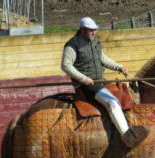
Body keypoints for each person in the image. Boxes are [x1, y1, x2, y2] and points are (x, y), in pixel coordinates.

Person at [61, 17, 148, 148]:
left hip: (99, 81)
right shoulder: (72, 44)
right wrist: (83, 78)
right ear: (82, 30)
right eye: (91, 30)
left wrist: (118, 67)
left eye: (95, 30)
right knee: (112, 102)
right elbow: (66, 65)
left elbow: (102, 58)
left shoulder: (95, 41)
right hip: (86, 85)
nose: (94, 33)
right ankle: (127, 136)